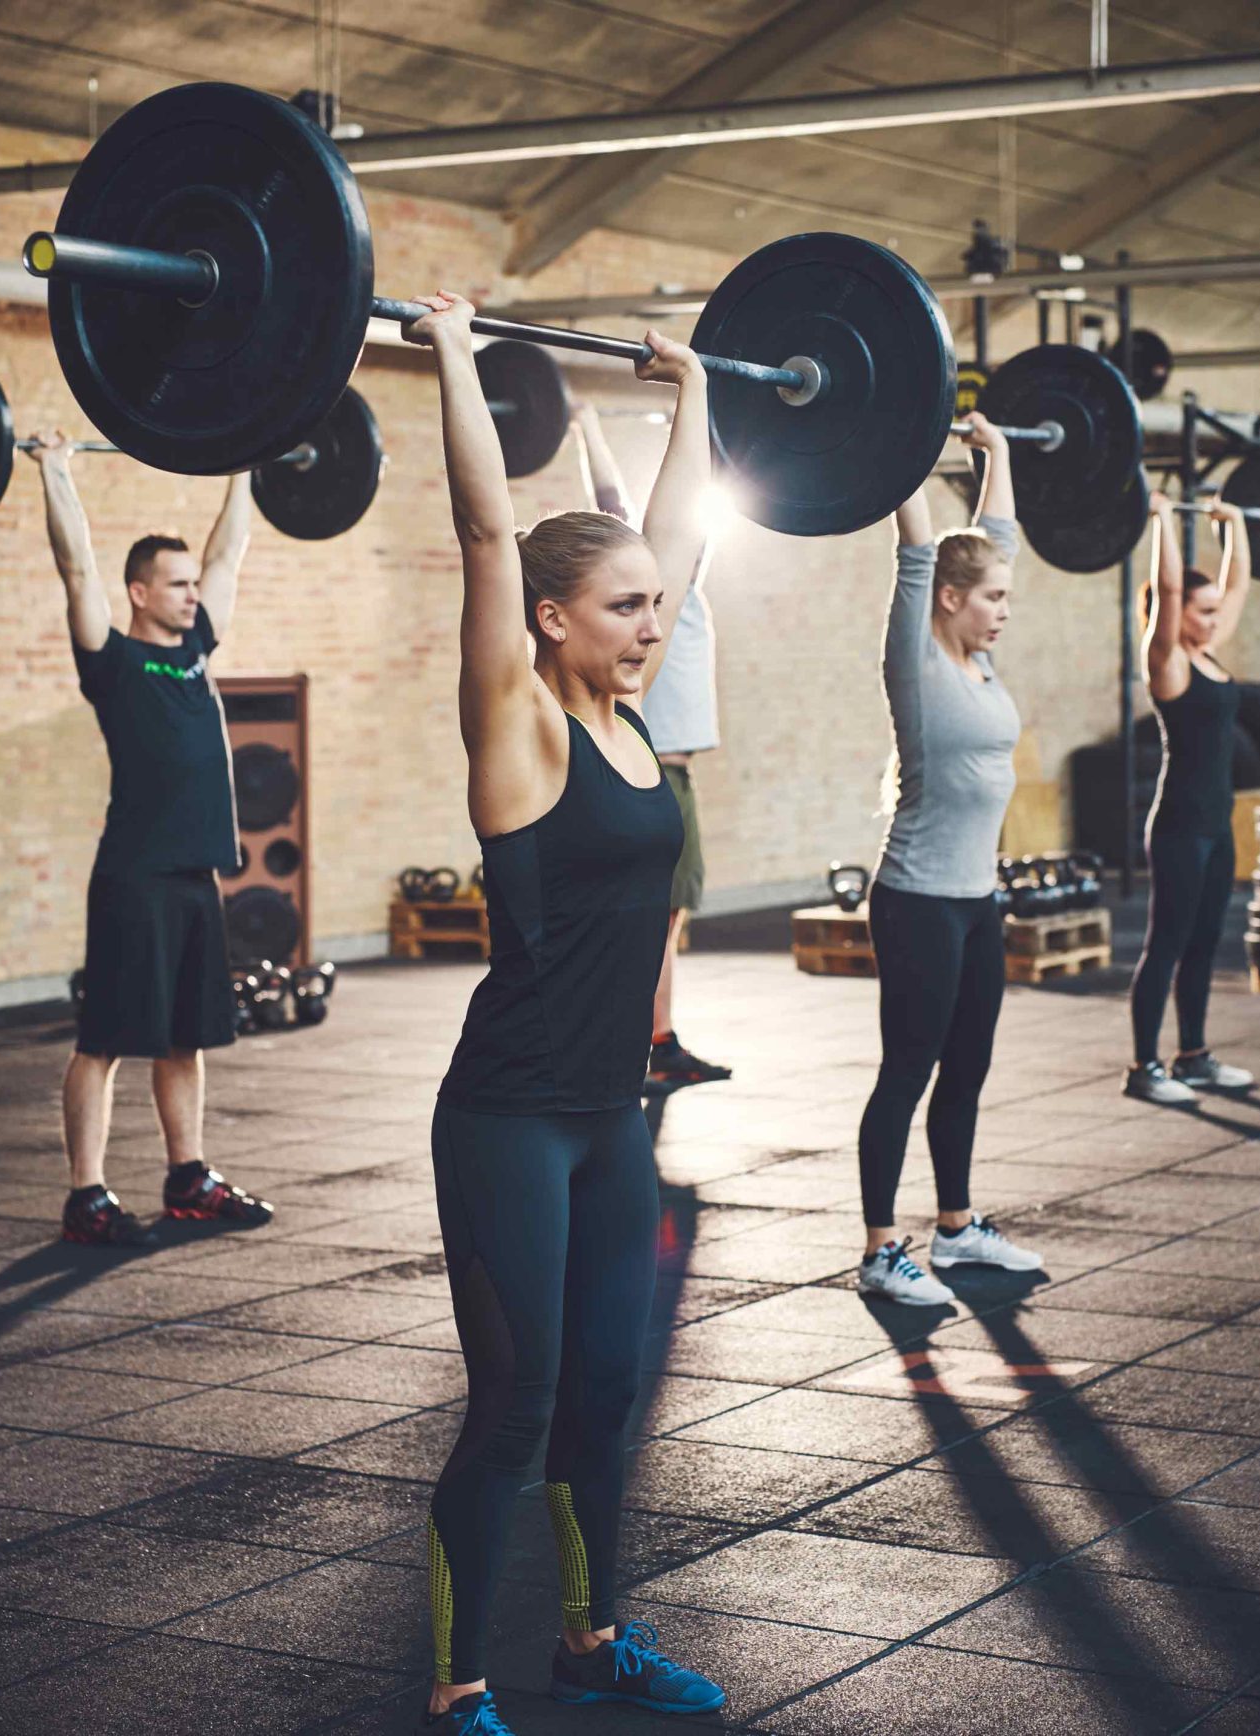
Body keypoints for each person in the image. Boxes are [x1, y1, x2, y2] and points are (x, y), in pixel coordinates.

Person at [406, 301, 725, 1736]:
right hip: (510, 1119)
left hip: (613, 1120)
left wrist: (696, 388)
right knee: (516, 1405)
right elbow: (485, 535)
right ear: (552, 621)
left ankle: (593, 1643)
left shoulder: (633, 723)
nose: (654, 622)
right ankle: (462, 1683)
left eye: (658, 604)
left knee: (607, 1394)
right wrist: (453, 353)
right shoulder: (525, 726)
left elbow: (682, 529)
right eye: (626, 606)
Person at [29, 438, 273, 1247]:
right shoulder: (111, 658)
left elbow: (229, 549)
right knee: (105, 1040)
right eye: (177, 584)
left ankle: (188, 1176)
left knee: (185, 1036)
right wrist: (55, 471)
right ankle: (87, 1196)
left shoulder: (199, 649)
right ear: (139, 592)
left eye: (192, 585)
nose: (193, 592)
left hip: (195, 874)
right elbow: (75, 568)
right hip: (132, 874)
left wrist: (246, 461)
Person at [854, 421, 1045, 1307]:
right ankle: (882, 1249)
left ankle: (959, 1231)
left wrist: (998, 457)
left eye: (1006, 596)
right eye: (994, 597)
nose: (1005, 607)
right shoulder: (920, 667)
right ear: (950, 601)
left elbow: (993, 537)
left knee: (967, 1067)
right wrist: (899, 449)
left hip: (976, 902)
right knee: (909, 1070)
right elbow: (920, 548)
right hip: (918, 900)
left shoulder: (978, 663)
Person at [570, 403, 730, 1091]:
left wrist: (592, 427)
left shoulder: (681, 589)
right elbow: (623, 502)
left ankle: (656, 1040)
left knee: (663, 921)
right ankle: (641, 1043)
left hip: (673, 774)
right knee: (651, 920)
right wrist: (588, 427)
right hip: (656, 774)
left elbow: (653, 506)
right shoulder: (657, 595)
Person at [1123, 494, 1260, 1104]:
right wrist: (1162, 521)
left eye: (1211, 613)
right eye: (1197, 612)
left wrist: (1233, 526)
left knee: (1205, 942)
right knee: (1166, 945)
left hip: (1217, 826)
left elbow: (1236, 589)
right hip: (1179, 824)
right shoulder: (1169, 661)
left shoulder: (1206, 651)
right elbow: (1171, 592)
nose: (1210, 619)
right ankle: (1144, 1068)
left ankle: (1194, 1055)